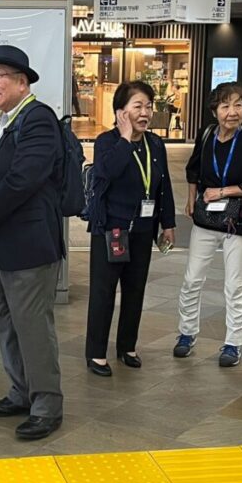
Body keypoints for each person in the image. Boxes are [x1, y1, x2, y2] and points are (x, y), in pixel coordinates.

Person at [0, 45, 64, 441]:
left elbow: (24, 178)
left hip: (29, 243)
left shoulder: (38, 119)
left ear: (22, 82)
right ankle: (21, 392)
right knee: (7, 321)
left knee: (33, 326)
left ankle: (46, 405)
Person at [174, 82, 242, 366]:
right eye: (225, 106)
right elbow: (193, 169)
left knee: (235, 284)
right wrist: (191, 199)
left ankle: (233, 343)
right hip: (206, 219)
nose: (232, 112)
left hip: (238, 221)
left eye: (238, 105)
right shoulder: (206, 135)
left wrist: (223, 192)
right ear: (214, 110)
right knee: (192, 279)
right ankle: (186, 333)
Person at [85, 81, 175, 376]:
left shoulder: (155, 144)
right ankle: (96, 353)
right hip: (112, 229)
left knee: (135, 290)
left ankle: (127, 346)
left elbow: (163, 187)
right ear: (120, 112)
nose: (145, 112)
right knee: (104, 292)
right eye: (138, 106)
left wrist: (168, 224)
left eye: (148, 106)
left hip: (143, 229)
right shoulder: (106, 142)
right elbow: (106, 172)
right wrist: (125, 138)